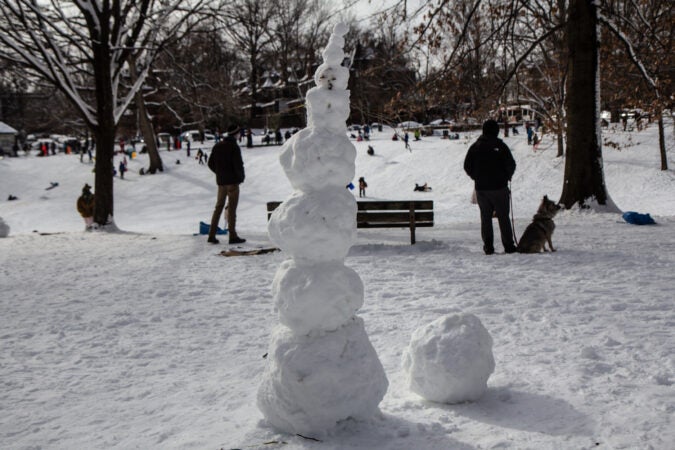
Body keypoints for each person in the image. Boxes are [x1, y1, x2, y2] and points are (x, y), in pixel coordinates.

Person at [463, 119, 517, 255]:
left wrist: (476, 177)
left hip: (482, 189)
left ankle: (488, 246)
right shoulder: (500, 146)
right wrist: (506, 176)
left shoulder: (476, 146)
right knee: (503, 217)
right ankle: (509, 246)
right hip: (500, 187)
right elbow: (511, 164)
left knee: (485, 218)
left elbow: (467, 166)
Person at [207, 124, 246, 245]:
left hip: (221, 182)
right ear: (236, 134)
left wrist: (219, 173)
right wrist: (240, 178)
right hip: (232, 182)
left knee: (218, 207)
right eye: (239, 133)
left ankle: (211, 235)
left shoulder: (217, 146)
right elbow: (238, 165)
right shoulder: (234, 147)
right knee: (232, 209)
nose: (240, 135)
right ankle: (232, 235)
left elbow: (210, 163)